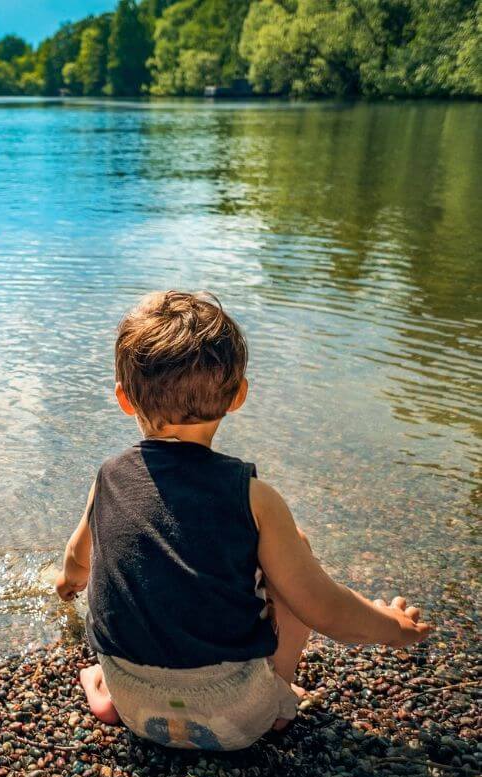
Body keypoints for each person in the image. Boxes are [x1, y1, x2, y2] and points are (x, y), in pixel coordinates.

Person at [55, 291, 432, 750]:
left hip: (135, 707)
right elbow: (325, 609)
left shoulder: (108, 478)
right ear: (238, 395)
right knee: (293, 545)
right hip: (236, 719)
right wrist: (393, 627)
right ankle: (279, 695)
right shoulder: (254, 498)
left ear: (124, 400)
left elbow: (77, 559)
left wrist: (67, 584)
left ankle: (105, 689)